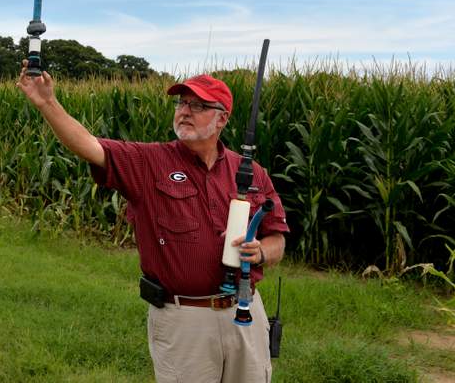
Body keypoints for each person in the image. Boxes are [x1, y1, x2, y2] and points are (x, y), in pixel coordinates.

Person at [17, 63, 289, 383]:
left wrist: (259, 253)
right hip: (183, 320)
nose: (185, 111)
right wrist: (47, 103)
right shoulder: (148, 162)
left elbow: (277, 239)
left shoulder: (252, 173)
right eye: (181, 103)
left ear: (222, 118)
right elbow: (89, 146)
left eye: (198, 105)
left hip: (246, 313)